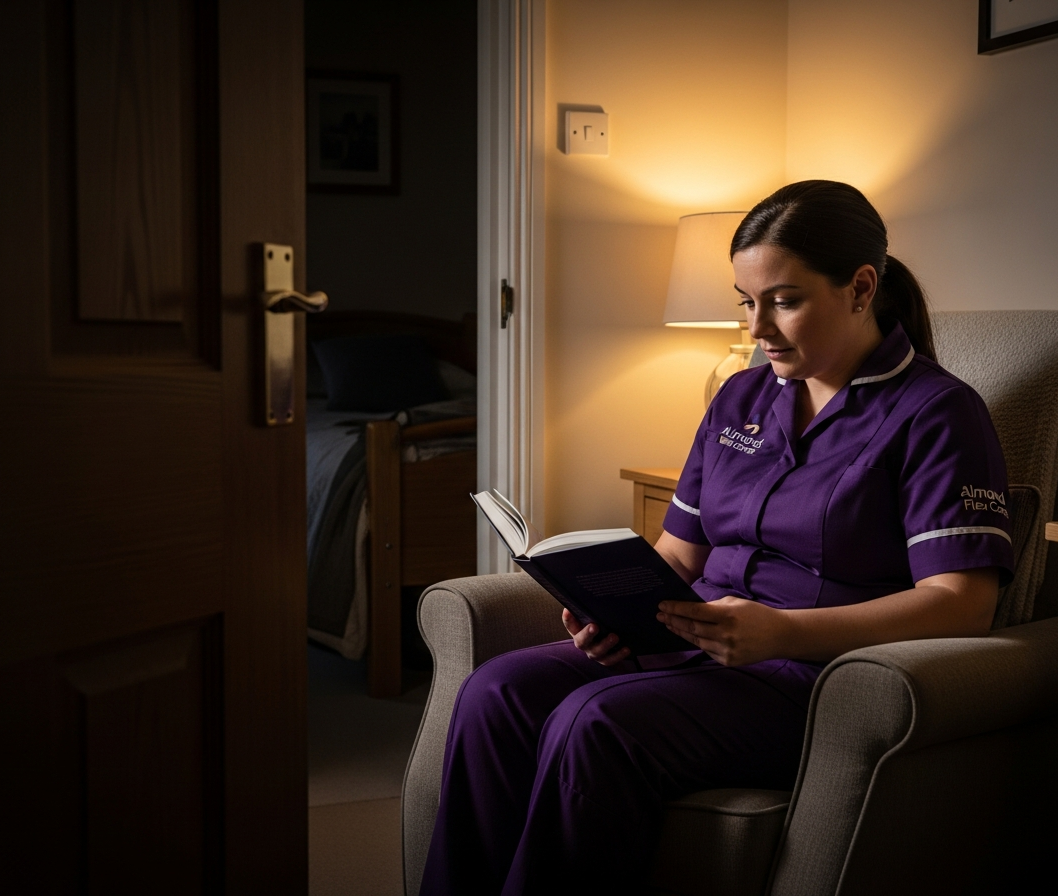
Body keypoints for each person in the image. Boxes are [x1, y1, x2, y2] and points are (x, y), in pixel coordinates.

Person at [418, 181, 1015, 896]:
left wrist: (782, 634)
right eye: (746, 300)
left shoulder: (939, 413)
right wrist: (616, 614)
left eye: (784, 300)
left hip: (813, 675)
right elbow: (678, 554)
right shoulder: (741, 396)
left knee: (595, 721)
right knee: (497, 690)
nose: (757, 327)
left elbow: (963, 603)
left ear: (861, 288)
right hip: (698, 646)